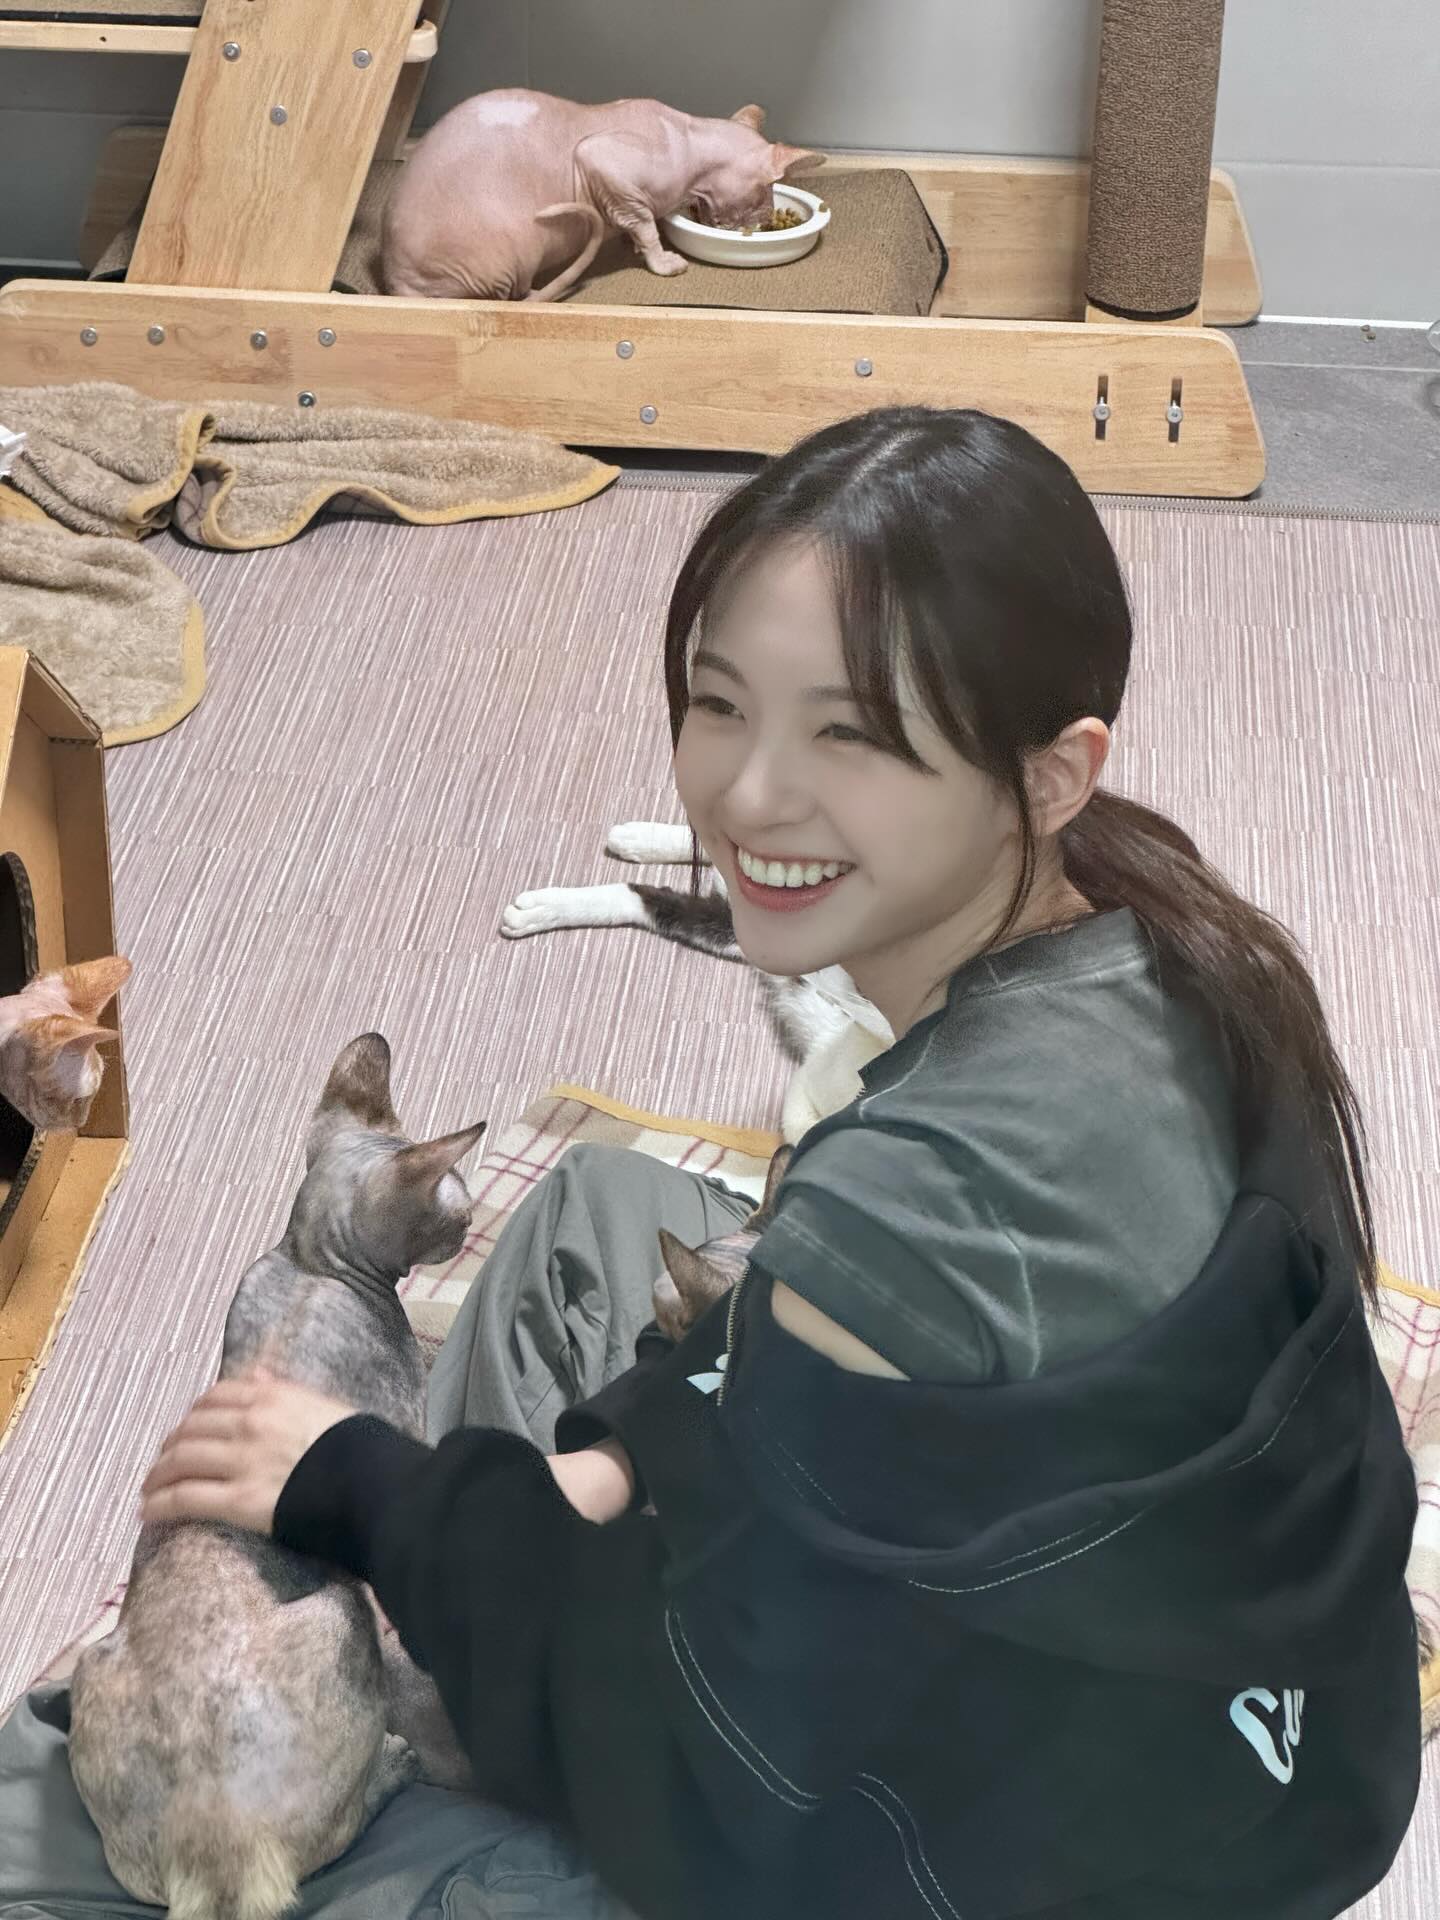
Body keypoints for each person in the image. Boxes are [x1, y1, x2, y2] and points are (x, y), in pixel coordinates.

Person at [139, 408, 1420, 1919]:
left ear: (1053, 773)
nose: (747, 798)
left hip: (1014, 1862)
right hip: (1271, 1746)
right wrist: (628, 1456)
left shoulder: (902, 1203)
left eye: (850, 734)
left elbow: (714, 1790)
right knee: (596, 1215)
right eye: (720, 703)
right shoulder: (1173, 930)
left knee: (63, 1850)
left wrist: (372, 1491)